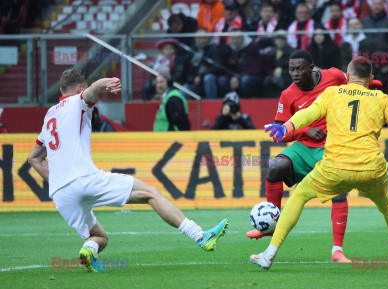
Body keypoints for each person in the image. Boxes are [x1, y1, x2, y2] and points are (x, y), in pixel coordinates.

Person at [249, 57, 388, 271]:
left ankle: (269, 254)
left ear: (346, 75)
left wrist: (286, 127)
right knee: (387, 206)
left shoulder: (332, 93)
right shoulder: (381, 99)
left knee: (298, 196)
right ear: (371, 77)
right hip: (371, 169)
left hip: (335, 167)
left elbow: (308, 114)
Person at [27, 69, 228, 272]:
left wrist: (58, 180)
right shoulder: (78, 101)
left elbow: (34, 158)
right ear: (80, 87)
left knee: (99, 237)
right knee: (151, 193)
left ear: (61, 89)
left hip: (61, 194)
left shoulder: (50, 114)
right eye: (84, 88)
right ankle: (201, 236)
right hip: (84, 179)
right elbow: (94, 90)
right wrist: (109, 82)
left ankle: (88, 250)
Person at [245, 50, 353, 263]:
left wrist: (372, 85)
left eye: (299, 69)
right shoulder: (288, 94)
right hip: (304, 146)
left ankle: (337, 251)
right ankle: (271, 224)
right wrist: (305, 131)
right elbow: (278, 132)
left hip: (331, 145)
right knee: (275, 167)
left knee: (339, 189)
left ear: (312, 68)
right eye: (291, 69)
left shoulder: (334, 76)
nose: (294, 73)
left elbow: (355, 84)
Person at [218, 28, 263, 98]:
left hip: (250, 76)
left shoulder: (252, 46)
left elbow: (256, 67)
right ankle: (227, 101)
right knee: (222, 80)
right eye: (233, 39)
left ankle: (246, 101)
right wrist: (232, 77)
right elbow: (224, 68)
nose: (235, 41)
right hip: (233, 77)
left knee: (245, 80)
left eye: (238, 38)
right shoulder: (227, 48)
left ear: (243, 37)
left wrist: (238, 77)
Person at [183, 28, 221, 99]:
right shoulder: (191, 50)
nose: (202, 40)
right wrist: (192, 78)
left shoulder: (214, 48)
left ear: (208, 38)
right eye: (200, 38)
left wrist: (201, 76)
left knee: (208, 78)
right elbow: (187, 68)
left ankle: (211, 104)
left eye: (204, 37)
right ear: (195, 39)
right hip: (194, 82)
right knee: (182, 92)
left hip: (210, 81)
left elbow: (216, 67)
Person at [262, 30, 295, 97]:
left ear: (286, 40)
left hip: (287, 76)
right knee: (267, 80)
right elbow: (266, 67)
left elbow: (293, 67)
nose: (280, 41)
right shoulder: (271, 52)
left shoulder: (292, 52)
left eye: (282, 39)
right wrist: (273, 73)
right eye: (277, 39)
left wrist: (282, 71)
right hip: (272, 76)